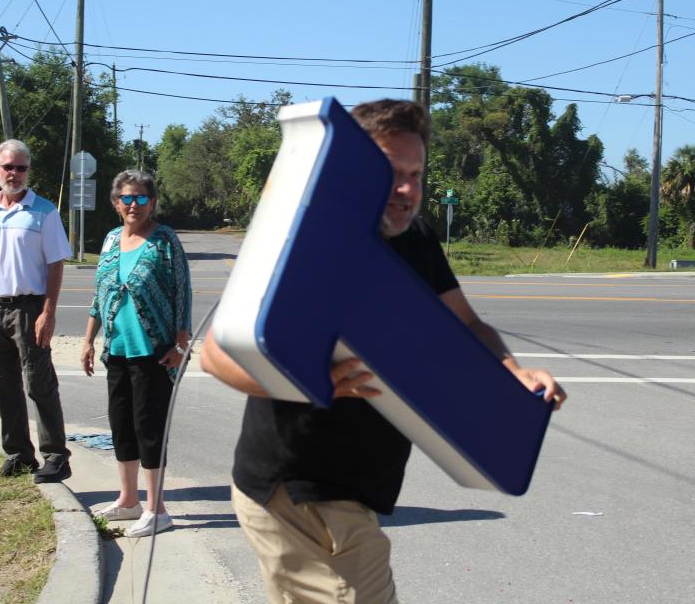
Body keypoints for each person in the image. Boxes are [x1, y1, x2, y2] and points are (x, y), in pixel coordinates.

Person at [201, 99, 567, 603]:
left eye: (416, 175)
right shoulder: (310, 242)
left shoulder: (415, 238)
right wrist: (312, 384)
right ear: (354, 172)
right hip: (300, 491)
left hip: (351, 492)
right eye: (393, 173)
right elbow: (215, 355)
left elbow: (467, 323)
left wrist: (511, 371)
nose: (407, 190)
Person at [81, 169, 192, 538]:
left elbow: (182, 293)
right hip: (117, 348)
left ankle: (156, 508)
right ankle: (128, 500)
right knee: (122, 426)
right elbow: (100, 294)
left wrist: (180, 346)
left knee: (149, 427)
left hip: (154, 351)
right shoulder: (112, 240)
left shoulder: (164, 241)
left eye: (141, 198)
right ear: (116, 203)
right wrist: (88, 339)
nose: (133, 205)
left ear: (153, 202)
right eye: (126, 198)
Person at [0, 138, 73, 483]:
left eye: (21, 168)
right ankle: (19, 455)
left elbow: (55, 265)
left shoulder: (45, 212)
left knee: (39, 384)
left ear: (28, 171)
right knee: (1, 384)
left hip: (28, 309)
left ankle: (56, 457)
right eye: (9, 167)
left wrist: (48, 312)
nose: (15, 174)